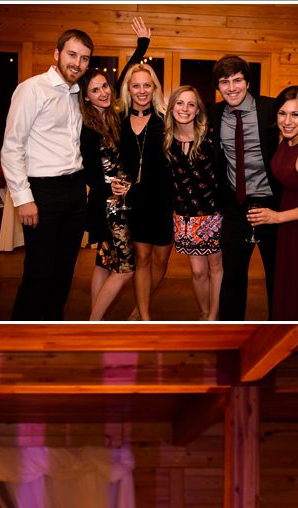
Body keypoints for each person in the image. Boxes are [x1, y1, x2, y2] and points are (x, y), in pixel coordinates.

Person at [1, 29, 93, 319]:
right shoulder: (32, 89)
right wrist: (23, 198)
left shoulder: (78, 94)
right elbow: (12, 146)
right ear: (57, 54)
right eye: (72, 54)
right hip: (43, 193)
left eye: (84, 58)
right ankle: (19, 332)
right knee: (39, 271)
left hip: (76, 191)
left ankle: (52, 327)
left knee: (65, 270)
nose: (77, 63)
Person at [78, 21, 151, 320]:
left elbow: (126, 76)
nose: (103, 92)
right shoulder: (87, 129)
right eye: (95, 90)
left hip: (118, 204)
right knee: (124, 269)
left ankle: (93, 318)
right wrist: (109, 188)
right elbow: (86, 172)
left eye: (104, 86)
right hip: (108, 207)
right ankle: (93, 325)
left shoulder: (114, 114)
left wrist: (142, 46)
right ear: (86, 97)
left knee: (102, 263)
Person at [207, 55, 279, 319]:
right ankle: (228, 331)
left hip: (272, 204)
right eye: (224, 82)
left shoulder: (272, 109)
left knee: (276, 274)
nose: (232, 87)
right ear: (218, 86)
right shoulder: (213, 114)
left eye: (237, 80)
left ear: (248, 82)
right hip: (235, 206)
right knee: (233, 276)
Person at [246, 87, 298, 319]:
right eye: (282, 114)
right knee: (288, 286)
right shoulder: (286, 140)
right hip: (289, 225)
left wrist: (276, 217)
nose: (287, 121)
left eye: (295, 115)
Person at [117, 61, 172, 321]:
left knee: (161, 261)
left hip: (163, 199)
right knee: (142, 258)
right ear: (128, 89)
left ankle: (139, 308)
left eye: (146, 85)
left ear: (154, 88)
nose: (141, 90)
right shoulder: (118, 121)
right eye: (136, 85)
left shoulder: (166, 121)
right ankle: (146, 318)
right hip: (134, 201)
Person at [163, 84, 223, 320]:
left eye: (191, 104)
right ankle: (204, 312)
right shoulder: (166, 139)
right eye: (180, 103)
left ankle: (213, 317)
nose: (185, 109)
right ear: (172, 107)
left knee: (215, 268)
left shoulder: (210, 135)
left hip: (212, 213)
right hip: (184, 216)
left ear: (198, 109)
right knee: (198, 272)